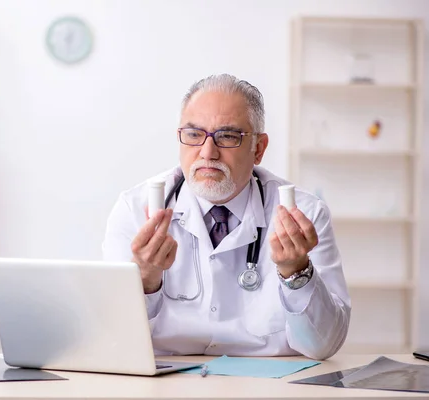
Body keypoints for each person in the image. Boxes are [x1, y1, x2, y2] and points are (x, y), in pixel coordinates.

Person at [102, 74, 351, 360]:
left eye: (228, 136)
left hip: (267, 387)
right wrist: (145, 279)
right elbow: (114, 340)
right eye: (194, 135)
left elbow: (324, 346)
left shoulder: (305, 215)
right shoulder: (134, 209)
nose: (208, 153)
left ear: (258, 148)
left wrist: (296, 272)